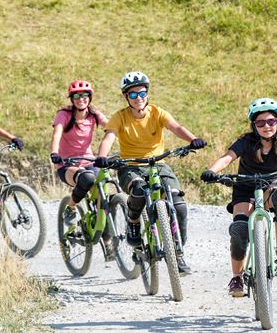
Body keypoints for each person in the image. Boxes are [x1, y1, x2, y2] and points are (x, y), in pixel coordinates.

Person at [200, 97, 277, 297]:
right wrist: (212, 171)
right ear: (254, 125)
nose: (266, 126)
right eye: (260, 123)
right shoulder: (245, 142)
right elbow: (227, 158)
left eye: (271, 121)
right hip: (244, 190)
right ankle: (237, 277)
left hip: (268, 188)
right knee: (239, 229)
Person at [94, 71, 206, 276]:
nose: (139, 98)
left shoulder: (157, 112)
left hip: (157, 164)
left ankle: (177, 252)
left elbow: (176, 127)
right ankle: (134, 224)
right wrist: (102, 157)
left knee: (178, 204)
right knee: (137, 190)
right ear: (126, 97)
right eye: (134, 94)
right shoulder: (120, 117)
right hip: (130, 165)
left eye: (142, 93)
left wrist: (193, 140)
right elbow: (109, 137)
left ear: (148, 93)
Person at [49, 80, 109, 233]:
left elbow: (112, 127)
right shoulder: (64, 114)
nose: (81, 99)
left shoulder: (94, 115)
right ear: (71, 99)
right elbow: (57, 134)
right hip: (67, 165)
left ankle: (108, 240)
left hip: (89, 161)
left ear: (90, 97)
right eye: (76, 96)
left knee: (103, 197)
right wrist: (54, 153)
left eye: (84, 96)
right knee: (87, 179)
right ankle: (71, 207)